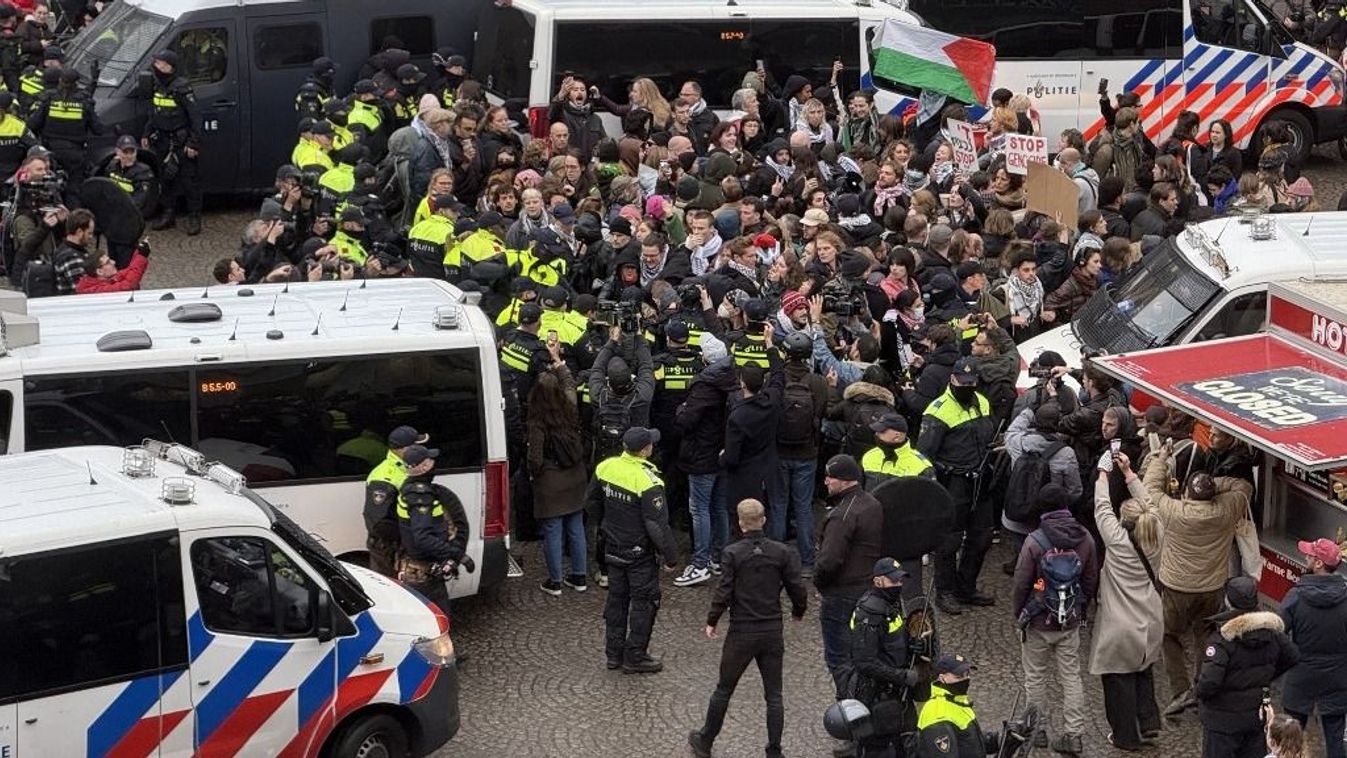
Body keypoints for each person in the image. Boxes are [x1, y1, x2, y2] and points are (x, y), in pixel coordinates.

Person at [687, 498, 807, 758]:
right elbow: (796, 587)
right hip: (771, 631)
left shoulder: (732, 553)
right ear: (764, 520)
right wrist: (798, 611)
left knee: (724, 688)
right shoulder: (781, 552)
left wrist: (712, 619)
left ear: (740, 523)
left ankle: (705, 740)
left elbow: (724, 590)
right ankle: (774, 749)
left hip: (742, 632)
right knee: (774, 695)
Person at [1144, 440, 1256, 715]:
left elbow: (1150, 488)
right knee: (1205, 634)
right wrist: (1214, 485)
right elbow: (1245, 487)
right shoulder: (1225, 509)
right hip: (1212, 586)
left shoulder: (1173, 511)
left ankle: (1181, 691)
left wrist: (1161, 459)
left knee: (1170, 636)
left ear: (1186, 493)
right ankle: (1201, 686)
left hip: (1175, 586)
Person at [1011, 477, 1098, 756]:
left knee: (1035, 677)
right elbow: (1090, 578)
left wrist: (1020, 614)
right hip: (1068, 619)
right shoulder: (1084, 537)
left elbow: (1021, 582)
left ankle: (1037, 731)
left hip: (1037, 619)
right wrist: (1080, 609)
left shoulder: (1035, 541)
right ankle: (1074, 735)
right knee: (1071, 677)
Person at [589, 426, 679, 674]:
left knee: (616, 601)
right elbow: (657, 525)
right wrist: (671, 557)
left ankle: (613, 654)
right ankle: (635, 656)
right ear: (645, 450)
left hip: (613, 548)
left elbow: (591, 502)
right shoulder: (648, 480)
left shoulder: (606, 467)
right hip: (639, 554)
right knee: (644, 603)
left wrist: (606, 526)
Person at [1090, 452, 1164, 751]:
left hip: (1120, 624)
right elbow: (1151, 505)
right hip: (1151, 619)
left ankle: (1125, 736)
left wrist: (1104, 474)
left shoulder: (1118, 541)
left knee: (1118, 681)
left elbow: (1101, 507)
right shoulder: (1158, 532)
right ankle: (1148, 723)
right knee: (1143, 670)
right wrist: (1130, 473)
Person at [918, 358, 997, 615]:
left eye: (971, 383)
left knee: (982, 537)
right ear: (952, 379)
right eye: (962, 382)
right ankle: (945, 590)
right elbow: (925, 453)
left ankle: (966, 586)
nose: (967, 386)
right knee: (949, 541)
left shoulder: (982, 402)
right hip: (953, 483)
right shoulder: (937, 410)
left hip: (981, 480)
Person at [1195, 576, 1298, 758]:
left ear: (1229, 601)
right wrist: (1265, 676)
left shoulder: (1223, 638)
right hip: (1254, 718)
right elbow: (1292, 655)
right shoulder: (1271, 631)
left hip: (1221, 721)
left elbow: (1209, 682)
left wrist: (1199, 696)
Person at [814, 454, 885, 697]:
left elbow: (829, 560)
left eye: (830, 478)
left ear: (844, 481)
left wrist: (819, 583)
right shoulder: (872, 504)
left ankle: (848, 704)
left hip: (841, 594)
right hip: (868, 590)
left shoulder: (842, 515)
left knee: (839, 656)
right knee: (863, 652)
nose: (826, 482)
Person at [842, 558, 921, 758]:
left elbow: (891, 641)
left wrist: (911, 646)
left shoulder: (891, 604)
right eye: (894, 581)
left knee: (907, 743)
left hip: (897, 691)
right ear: (878, 581)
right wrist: (901, 676)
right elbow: (865, 662)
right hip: (876, 694)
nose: (899, 586)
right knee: (879, 749)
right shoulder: (870, 612)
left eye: (901, 581)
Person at [528, 343, 590, 596]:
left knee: (553, 530)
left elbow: (535, 457)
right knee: (576, 527)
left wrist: (534, 474)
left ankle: (555, 580)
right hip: (576, 476)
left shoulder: (537, 421)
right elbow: (568, 382)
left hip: (551, 481)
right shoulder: (570, 407)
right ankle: (579, 576)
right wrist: (558, 360)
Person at [1279, 537, 1347, 758]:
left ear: (1318, 563)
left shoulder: (1296, 596)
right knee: (1335, 740)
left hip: (1301, 677)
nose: (1305, 557)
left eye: (1309, 555)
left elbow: (1278, 633)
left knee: (1290, 738)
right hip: (1338, 677)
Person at [396, 449, 470, 620]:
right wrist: (458, 555)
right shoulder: (420, 496)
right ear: (423, 467)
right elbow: (423, 538)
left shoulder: (413, 490)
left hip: (421, 570)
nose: (434, 463)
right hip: (422, 575)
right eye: (430, 460)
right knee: (437, 622)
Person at [141, 50, 203, 235]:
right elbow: (154, 112)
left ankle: (194, 217)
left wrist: (193, 143)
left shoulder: (182, 87)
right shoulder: (157, 85)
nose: (157, 68)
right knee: (165, 179)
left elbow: (196, 117)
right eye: (157, 64)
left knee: (189, 181)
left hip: (181, 141)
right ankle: (168, 214)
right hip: (161, 139)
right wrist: (146, 133)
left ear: (171, 67)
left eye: (162, 65)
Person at [362, 426, 430, 577]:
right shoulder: (384, 477)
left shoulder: (407, 468)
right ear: (403, 450)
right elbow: (378, 523)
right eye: (417, 446)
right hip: (391, 551)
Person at [915, 653, 998, 758]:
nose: (966, 679)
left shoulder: (957, 701)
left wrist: (997, 740)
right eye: (959, 676)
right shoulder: (937, 717)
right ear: (942, 678)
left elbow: (969, 741)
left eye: (967, 674)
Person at [51, 207, 94, 296]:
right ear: (79, 232)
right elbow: (83, 290)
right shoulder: (71, 257)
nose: (91, 237)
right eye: (89, 233)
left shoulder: (68, 250)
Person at [75, 247, 149, 294]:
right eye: (108, 262)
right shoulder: (96, 291)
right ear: (99, 272)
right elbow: (128, 285)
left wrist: (138, 253)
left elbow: (128, 271)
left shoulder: (102, 280)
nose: (113, 262)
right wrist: (141, 257)